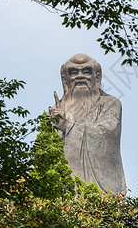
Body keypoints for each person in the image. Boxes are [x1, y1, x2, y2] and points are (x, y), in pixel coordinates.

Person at [49, 54, 126, 195]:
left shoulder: (109, 104)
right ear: (65, 80)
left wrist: (67, 126)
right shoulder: (55, 113)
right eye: (73, 72)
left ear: (97, 78)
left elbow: (108, 135)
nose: (80, 76)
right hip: (60, 189)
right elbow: (46, 151)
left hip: (96, 189)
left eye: (86, 71)